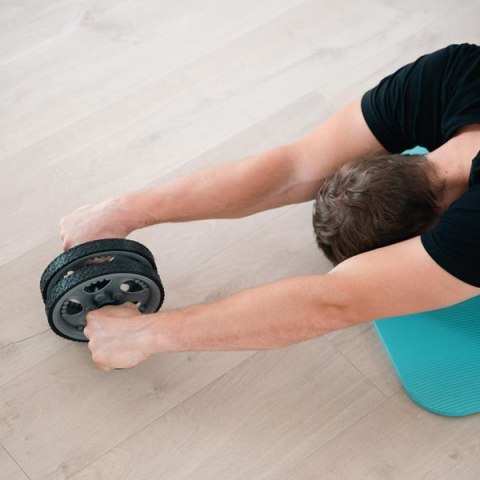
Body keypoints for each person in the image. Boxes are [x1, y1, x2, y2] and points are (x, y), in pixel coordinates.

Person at [59, 43, 480, 371]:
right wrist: (122, 212)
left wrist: (145, 335)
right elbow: (292, 170)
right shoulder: (456, 73)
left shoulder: (453, 72)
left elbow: (335, 303)